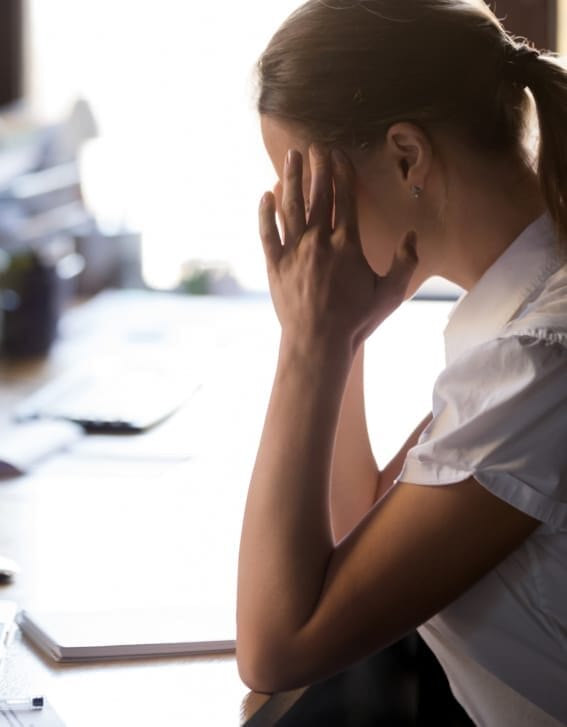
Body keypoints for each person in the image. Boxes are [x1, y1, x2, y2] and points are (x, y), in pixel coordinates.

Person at [235, 1, 567, 724]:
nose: (304, 226)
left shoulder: (536, 362)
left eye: (307, 188)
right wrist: (341, 334)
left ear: (406, 156)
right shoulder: (521, 313)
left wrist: (307, 342)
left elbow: (276, 647)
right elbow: (361, 537)